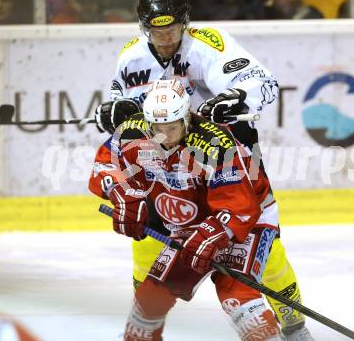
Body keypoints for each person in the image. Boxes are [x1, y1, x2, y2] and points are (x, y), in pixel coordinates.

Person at [91, 0, 314, 340]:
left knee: (262, 253)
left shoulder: (208, 44)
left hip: (226, 162)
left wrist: (235, 99)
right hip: (167, 169)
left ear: (186, 23)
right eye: (155, 30)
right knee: (147, 247)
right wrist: (116, 110)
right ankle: (145, 322)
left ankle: (294, 324)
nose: (164, 38)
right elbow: (125, 120)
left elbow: (263, 84)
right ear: (142, 28)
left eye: (172, 29)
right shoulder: (131, 57)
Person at [91, 78, 287, 340]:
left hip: (248, 220)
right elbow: (104, 166)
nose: (164, 136)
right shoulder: (132, 132)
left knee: (236, 294)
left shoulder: (215, 144)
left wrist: (212, 234)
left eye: (172, 127)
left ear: (186, 118)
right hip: (192, 225)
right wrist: (122, 193)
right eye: (156, 127)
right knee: (150, 298)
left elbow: (240, 205)